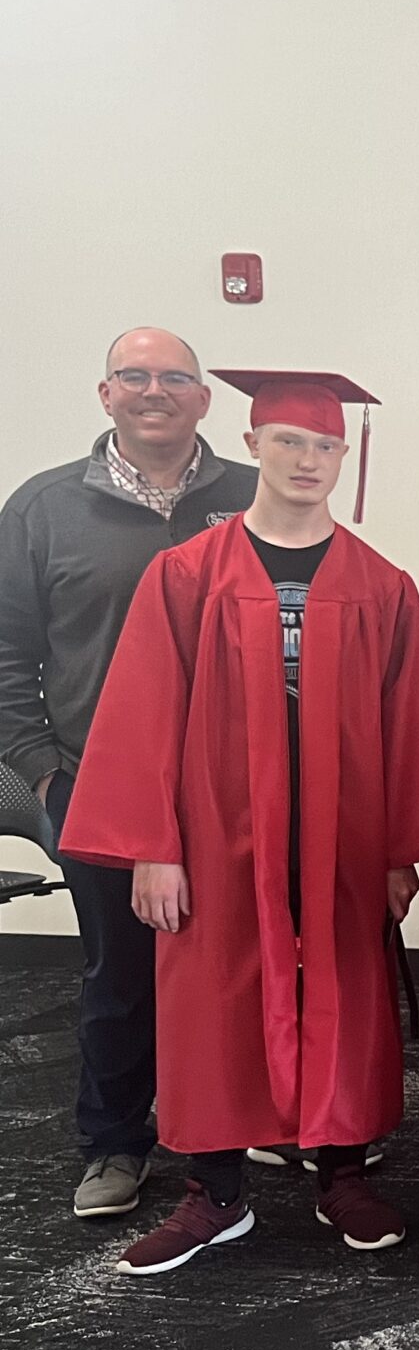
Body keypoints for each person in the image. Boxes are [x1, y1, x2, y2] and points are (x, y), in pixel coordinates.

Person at [62, 370, 419, 1274]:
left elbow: (412, 722)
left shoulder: (381, 584)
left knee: (348, 993)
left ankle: (341, 1171)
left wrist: (398, 852)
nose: (308, 459)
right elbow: (145, 711)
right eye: (289, 443)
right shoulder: (188, 574)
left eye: (323, 446)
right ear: (252, 445)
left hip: (342, 835)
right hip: (217, 833)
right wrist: (154, 847)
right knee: (212, 998)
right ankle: (216, 1193)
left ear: (343, 458)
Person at [0, 328, 258, 1218]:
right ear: (105, 394)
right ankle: (113, 1141)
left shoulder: (255, 499)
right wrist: (42, 776)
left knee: (241, 964)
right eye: (135, 376)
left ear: (204, 399)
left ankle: (252, 1123)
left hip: (237, 790)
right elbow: (8, 652)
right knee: (121, 975)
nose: (156, 390)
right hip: (95, 784)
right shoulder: (43, 508)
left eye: (176, 377)